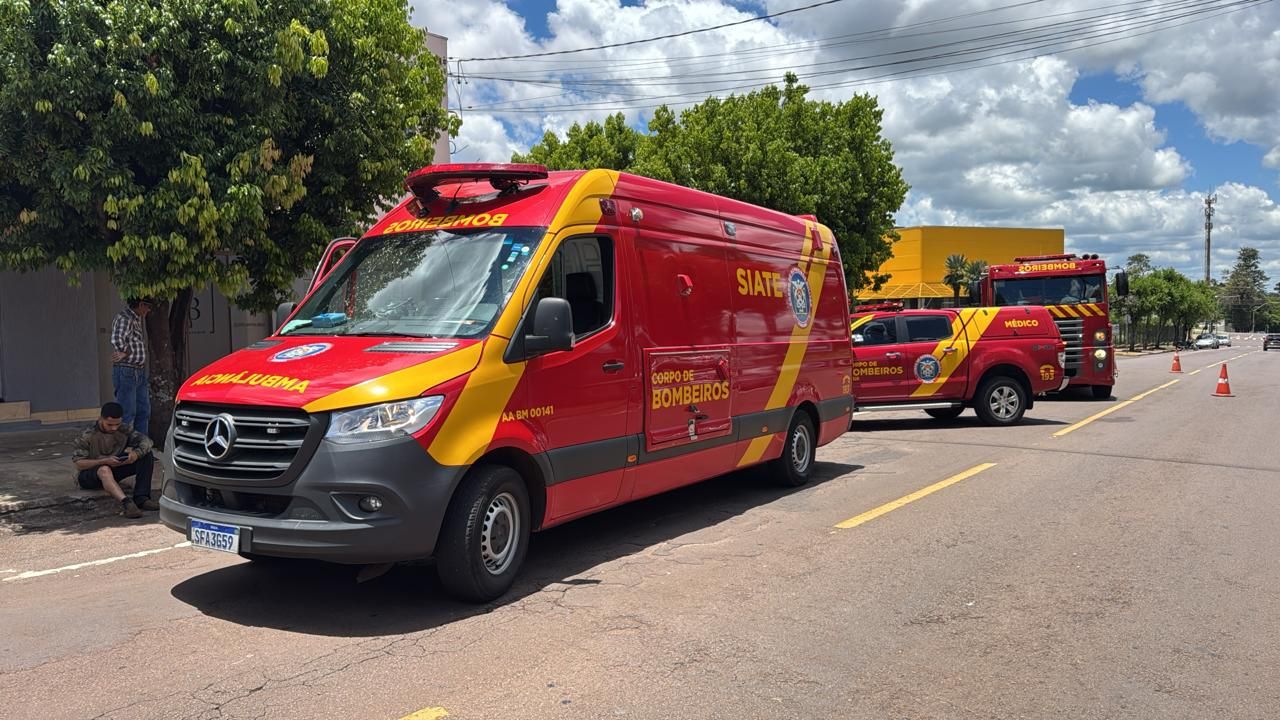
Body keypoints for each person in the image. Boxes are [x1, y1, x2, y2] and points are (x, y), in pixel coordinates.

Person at [72, 402, 157, 519]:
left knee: (147, 456)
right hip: (90, 474)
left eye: (117, 424)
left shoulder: (124, 429)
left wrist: (135, 454)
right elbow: (79, 464)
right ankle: (126, 503)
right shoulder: (88, 435)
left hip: (114, 466)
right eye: (109, 424)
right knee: (104, 470)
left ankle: (142, 498)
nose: (114, 428)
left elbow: (147, 442)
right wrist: (103, 461)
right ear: (101, 419)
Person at [110, 297, 153, 435]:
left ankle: (141, 447)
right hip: (127, 369)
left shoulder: (135, 318)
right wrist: (126, 352)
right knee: (127, 412)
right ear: (141, 304)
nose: (148, 310)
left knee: (143, 410)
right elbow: (117, 339)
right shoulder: (125, 317)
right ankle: (123, 448)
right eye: (147, 306)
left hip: (137, 370)